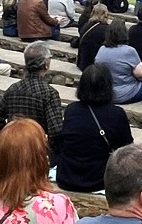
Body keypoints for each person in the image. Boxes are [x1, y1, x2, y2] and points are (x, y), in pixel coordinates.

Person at [52, 63, 135, 192]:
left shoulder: (71, 110)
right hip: (99, 179)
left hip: (67, 177)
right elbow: (126, 147)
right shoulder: (116, 113)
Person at [0, 41, 65, 136]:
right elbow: (56, 130)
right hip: (37, 145)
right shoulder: (50, 93)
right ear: (46, 64)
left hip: (14, 143)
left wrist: (9, 135)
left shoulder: (13, 89)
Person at [94, 22, 142, 105]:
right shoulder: (129, 51)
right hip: (125, 92)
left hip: (106, 91)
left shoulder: (101, 49)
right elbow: (141, 75)